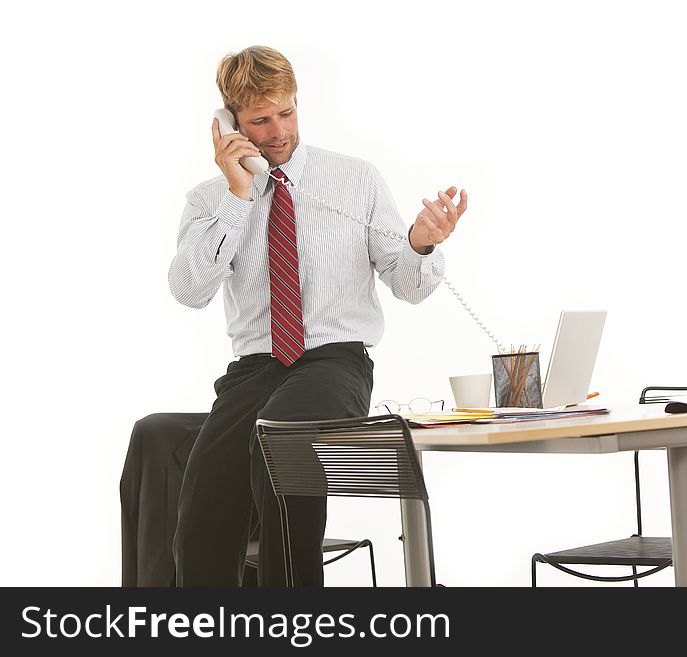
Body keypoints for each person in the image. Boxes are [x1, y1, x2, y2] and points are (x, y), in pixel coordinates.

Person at [168, 45, 467, 586]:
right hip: (254, 370)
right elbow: (189, 290)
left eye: (287, 112)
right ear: (229, 124)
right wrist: (239, 196)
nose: (278, 131)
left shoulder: (356, 180)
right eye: (260, 120)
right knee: (203, 513)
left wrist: (421, 244)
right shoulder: (210, 200)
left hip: (334, 363)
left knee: (280, 442)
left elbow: (408, 283)